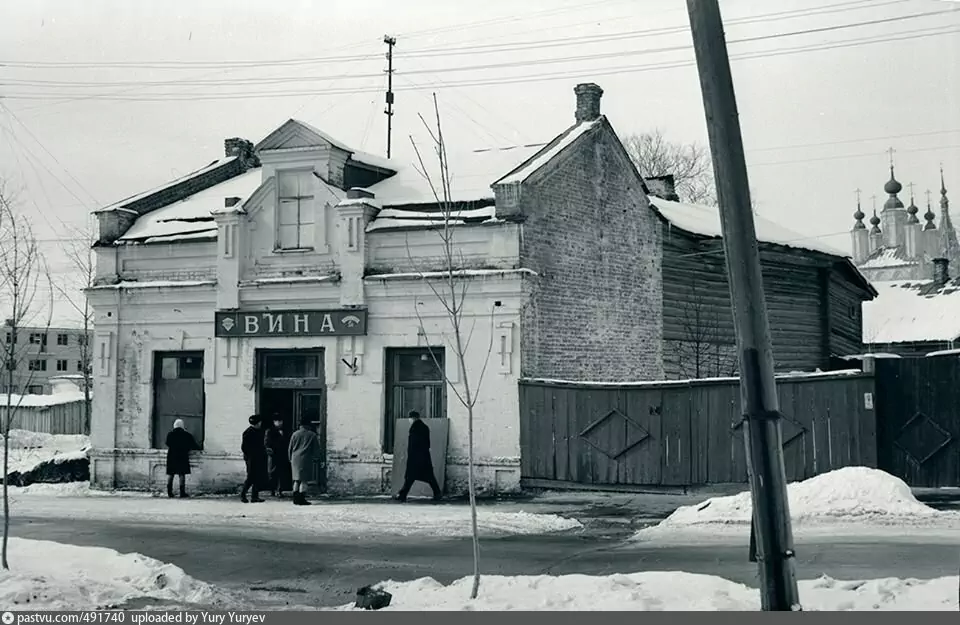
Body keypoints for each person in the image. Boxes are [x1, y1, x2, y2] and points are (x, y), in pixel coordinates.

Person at [397, 411, 442, 502]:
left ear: (413, 418)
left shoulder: (415, 428)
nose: (409, 420)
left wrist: (411, 454)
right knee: (428, 477)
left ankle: (403, 494)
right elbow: (427, 444)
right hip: (424, 457)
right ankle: (437, 493)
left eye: (410, 418)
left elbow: (413, 444)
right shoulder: (424, 427)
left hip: (415, 457)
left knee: (410, 477)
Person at [287, 416, 322, 506]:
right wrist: (316, 458)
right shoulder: (312, 435)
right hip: (305, 459)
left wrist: (290, 458)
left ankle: (295, 499)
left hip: (295, 459)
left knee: (296, 480)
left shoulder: (295, 434)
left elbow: (290, 448)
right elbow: (316, 449)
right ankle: (302, 499)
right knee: (304, 480)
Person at [165, 419, 200, 498]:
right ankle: (182, 492)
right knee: (182, 474)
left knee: (171, 474)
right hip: (182, 456)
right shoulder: (187, 435)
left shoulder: (170, 434)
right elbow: (193, 445)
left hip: (171, 456)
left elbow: (167, 443)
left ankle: (169, 492)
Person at [240, 414, 267, 503]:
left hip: (258, 457)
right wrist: (250, 456)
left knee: (257, 476)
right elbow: (244, 447)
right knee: (251, 477)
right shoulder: (248, 432)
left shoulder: (258, 431)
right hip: (251, 458)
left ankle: (254, 496)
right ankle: (243, 495)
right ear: (258, 423)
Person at [264, 413, 291, 498]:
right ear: (274, 422)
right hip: (273, 455)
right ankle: (272, 490)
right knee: (272, 473)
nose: (279, 423)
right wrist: (270, 451)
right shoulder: (269, 431)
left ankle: (280, 490)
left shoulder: (286, 431)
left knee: (282, 473)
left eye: (280, 421)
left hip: (282, 455)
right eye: (277, 421)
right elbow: (266, 443)